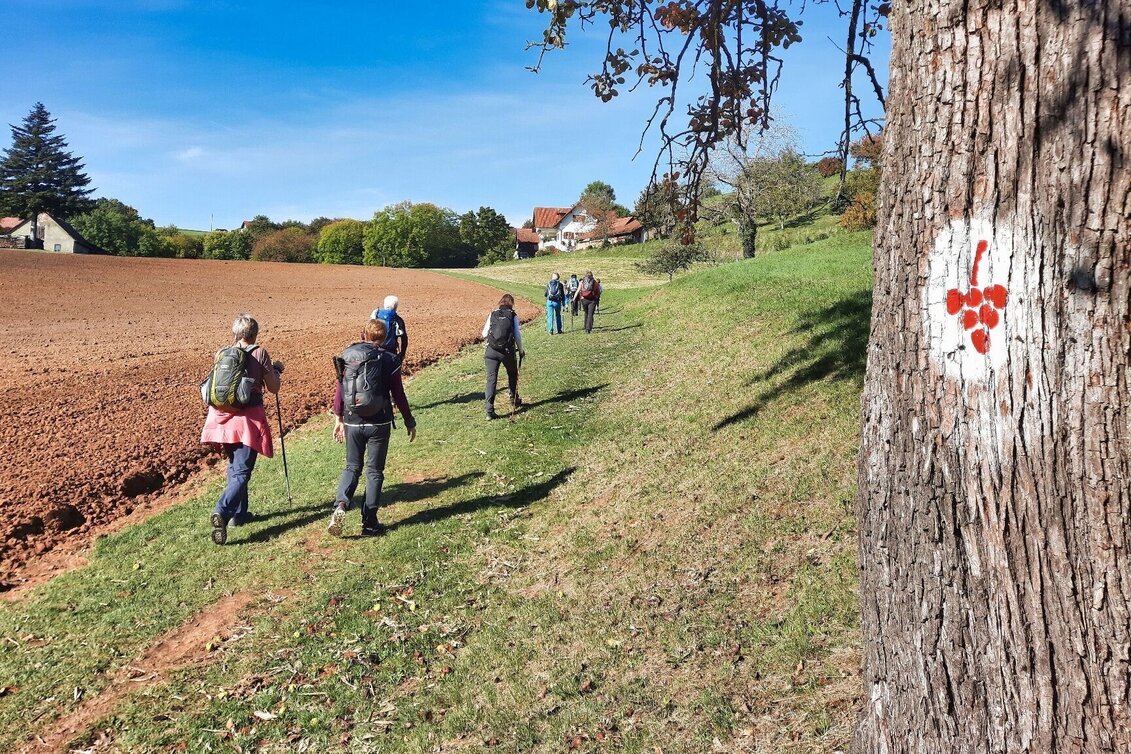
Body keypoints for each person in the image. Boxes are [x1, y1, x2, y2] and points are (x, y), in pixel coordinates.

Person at [328, 318, 417, 537]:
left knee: (351, 467)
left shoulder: (347, 356)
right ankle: (369, 523)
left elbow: (340, 390)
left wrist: (338, 418)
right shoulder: (389, 359)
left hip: (352, 420)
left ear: (363, 335)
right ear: (385, 337)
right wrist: (409, 420)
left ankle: (341, 504)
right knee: (374, 471)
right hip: (379, 422)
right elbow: (398, 394)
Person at [200, 314, 283, 545]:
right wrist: (276, 371)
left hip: (221, 419)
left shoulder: (221, 353)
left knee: (235, 465)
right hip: (247, 420)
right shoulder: (260, 352)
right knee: (241, 472)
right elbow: (273, 388)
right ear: (255, 333)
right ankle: (223, 511)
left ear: (235, 334)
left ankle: (239, 514)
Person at [482, 293, 525, 420]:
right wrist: (521, 351)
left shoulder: (493, 313)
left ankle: (489, 411)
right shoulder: (513, 315)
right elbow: (517, 336)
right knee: (512, 374)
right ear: (511, 303)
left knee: (491, 380)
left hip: (491, 351)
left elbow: (484, 334)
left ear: (500, 302)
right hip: (507, 352)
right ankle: (514, 398)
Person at [370, 295, 408, 363]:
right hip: (390, 352)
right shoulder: (398, 320)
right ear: (396, 307)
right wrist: (402, 354)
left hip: (374, 350)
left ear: (384, 305)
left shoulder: (375, 316)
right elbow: (404, 339)